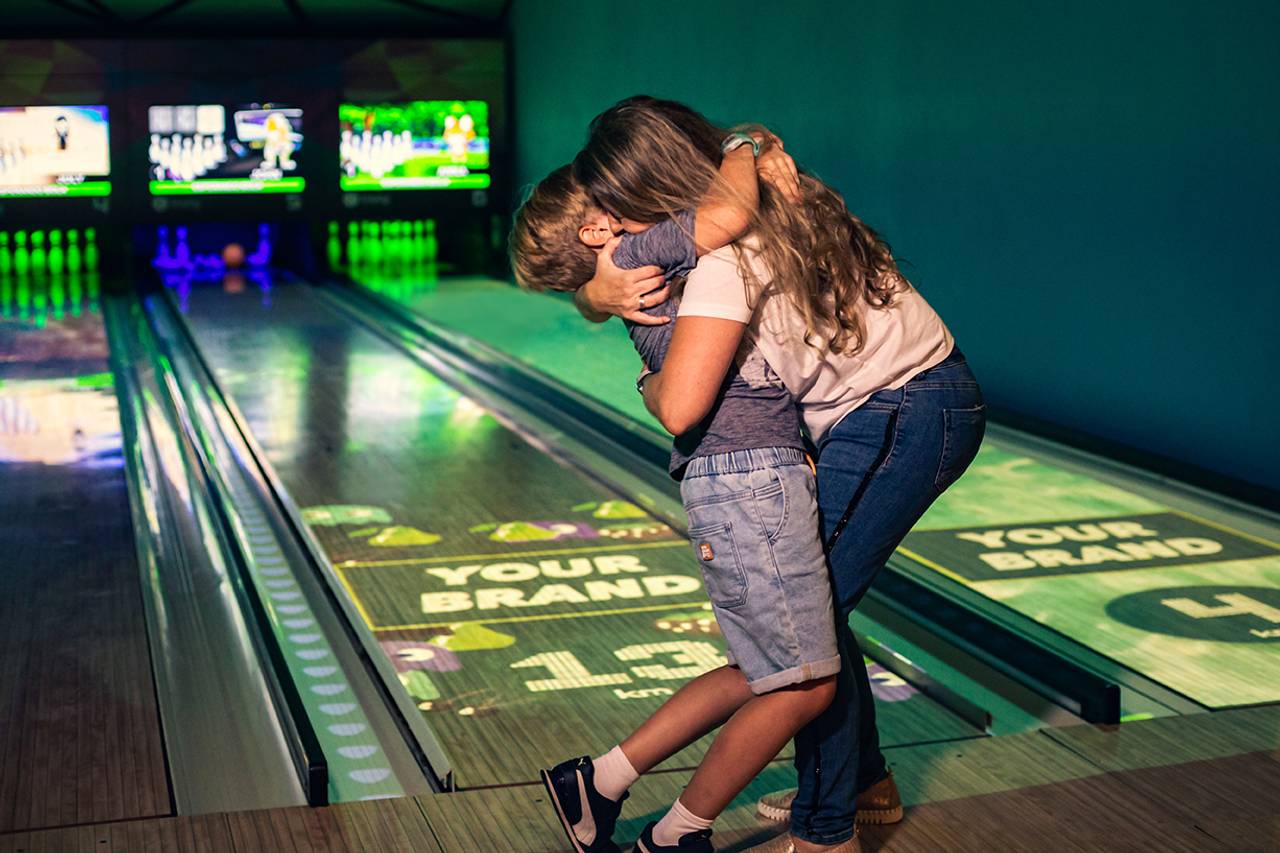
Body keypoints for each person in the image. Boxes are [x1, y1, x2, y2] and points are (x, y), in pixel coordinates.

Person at [568, 96, 987, 853]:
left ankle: (826, 831)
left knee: (806, 631)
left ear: (648, 193)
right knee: (816, 617)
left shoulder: (721, 254)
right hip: (912, 399)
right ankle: (862, 784)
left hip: (899, 410)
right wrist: (593, 293)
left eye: (620, 213)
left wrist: (634, 358)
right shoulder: (761, 187)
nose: (622, 234)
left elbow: (681, 405)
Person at [510, 131, 848, 853]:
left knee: (762, 671)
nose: (626, 198)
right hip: (749, 475)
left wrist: (586, 295)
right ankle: (676, 834)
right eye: (608, 197)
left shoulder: (622, 269)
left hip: (735, 475)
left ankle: (599, 781)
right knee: (805, 683)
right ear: (597, 229)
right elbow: (727, 214)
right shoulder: (639, 250)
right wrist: (741, 144)